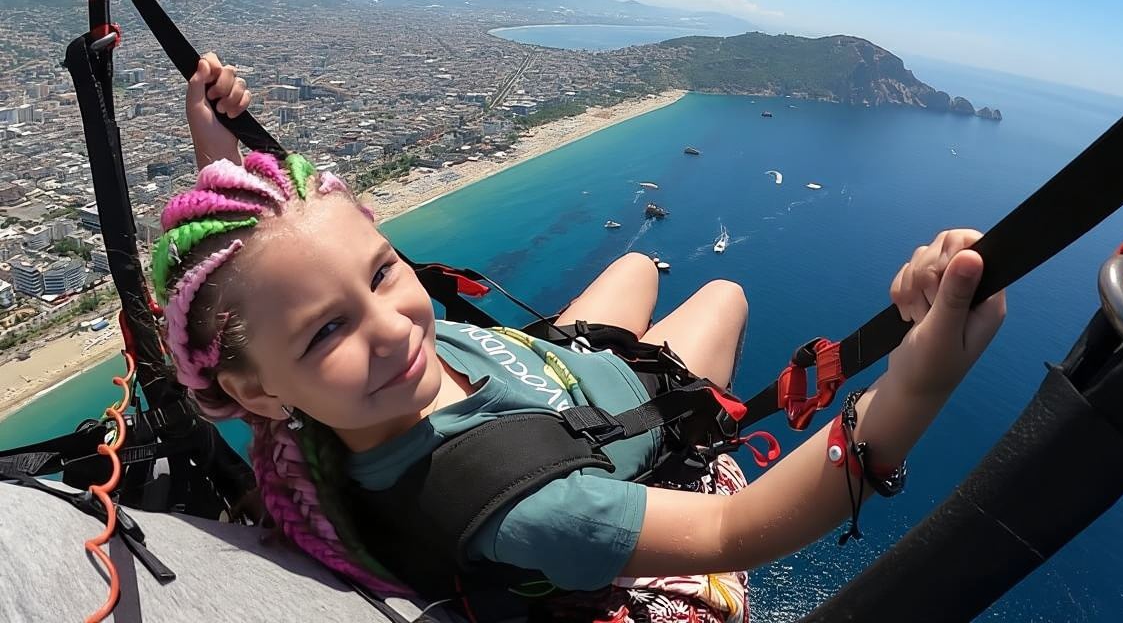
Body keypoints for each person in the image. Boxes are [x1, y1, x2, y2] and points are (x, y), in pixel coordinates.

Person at [157, 52, 1006, 611]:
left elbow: (260, 297)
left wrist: (221, 156)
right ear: (256, 390)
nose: (392, 325)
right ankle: (683, 423)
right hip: (595, 429)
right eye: (328, 329)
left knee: (638, 270)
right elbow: (734, 531)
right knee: (727, 296)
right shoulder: (535, 512)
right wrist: (917, 385)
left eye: (382, 271)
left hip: (553, 377)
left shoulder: (308, 395)